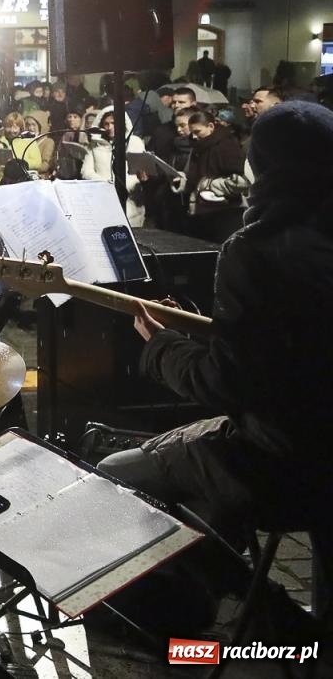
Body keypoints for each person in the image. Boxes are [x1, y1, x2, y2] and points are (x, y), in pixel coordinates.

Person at [99, 101, 333, 618]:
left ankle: (257, 608)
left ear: (267, 167)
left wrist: (159, 346)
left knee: (113, 475)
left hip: (283, 460)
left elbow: (227, 382)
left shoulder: (255, 248)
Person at [182, 108, 246, 243]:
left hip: (225, 213)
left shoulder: (227, 146)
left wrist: (210, 184)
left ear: (211, 126)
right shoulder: (198, 147)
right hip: (202, 212)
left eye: (197, 132)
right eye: (192, 132)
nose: (194, 137)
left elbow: (241, 181)